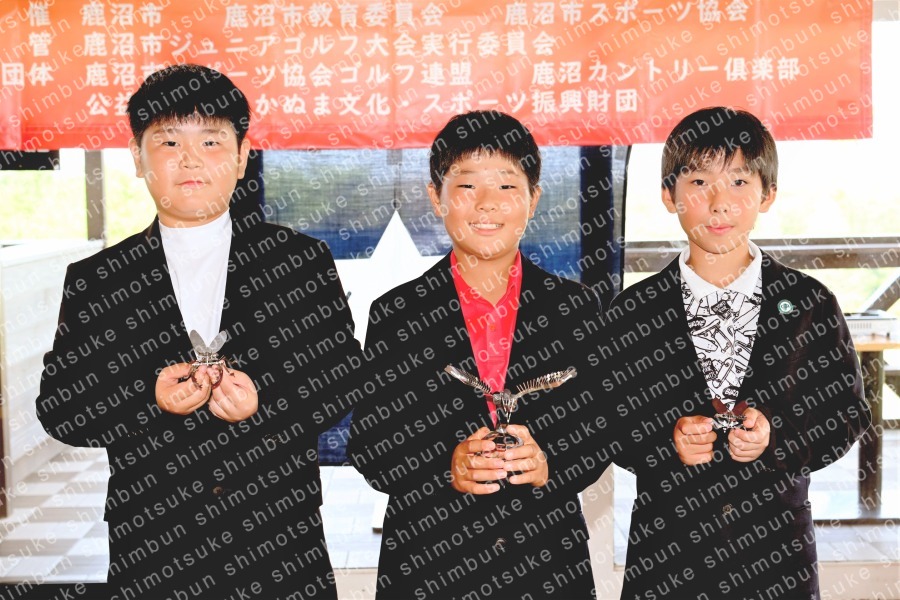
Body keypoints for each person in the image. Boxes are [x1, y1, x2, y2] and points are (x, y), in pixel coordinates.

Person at [35, 64, 359, 600]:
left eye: (211, 141)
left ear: (242, 155)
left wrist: (267, 401)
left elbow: (342, 378)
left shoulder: (299, 260)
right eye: (168, 141)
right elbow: (62, 408)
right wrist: (149, 398)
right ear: (137, 157)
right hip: (154, 548)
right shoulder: (99, 279)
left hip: (279, 541)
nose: (189, 159)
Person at [601, 107, 870, 599]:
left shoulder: (808, 302)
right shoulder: (634, 310)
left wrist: (777, 436)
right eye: (699, 182)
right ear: (668, 195)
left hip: (778, 554)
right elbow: (607, 420)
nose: (719, 203)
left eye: (740, 182)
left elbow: (847, 413)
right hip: (668, 555)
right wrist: (666, 441)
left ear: (768, 194)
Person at [348, 110, 610, 599]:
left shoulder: (574, 306)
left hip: (547, 563)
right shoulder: (397, 313)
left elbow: (600, 424)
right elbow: (371, 445)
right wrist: (445, 467)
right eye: (467, 185)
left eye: (507, 186)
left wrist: (549, 461)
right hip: (430, 564)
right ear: (436, 197)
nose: (487, 203)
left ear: (533, 199)